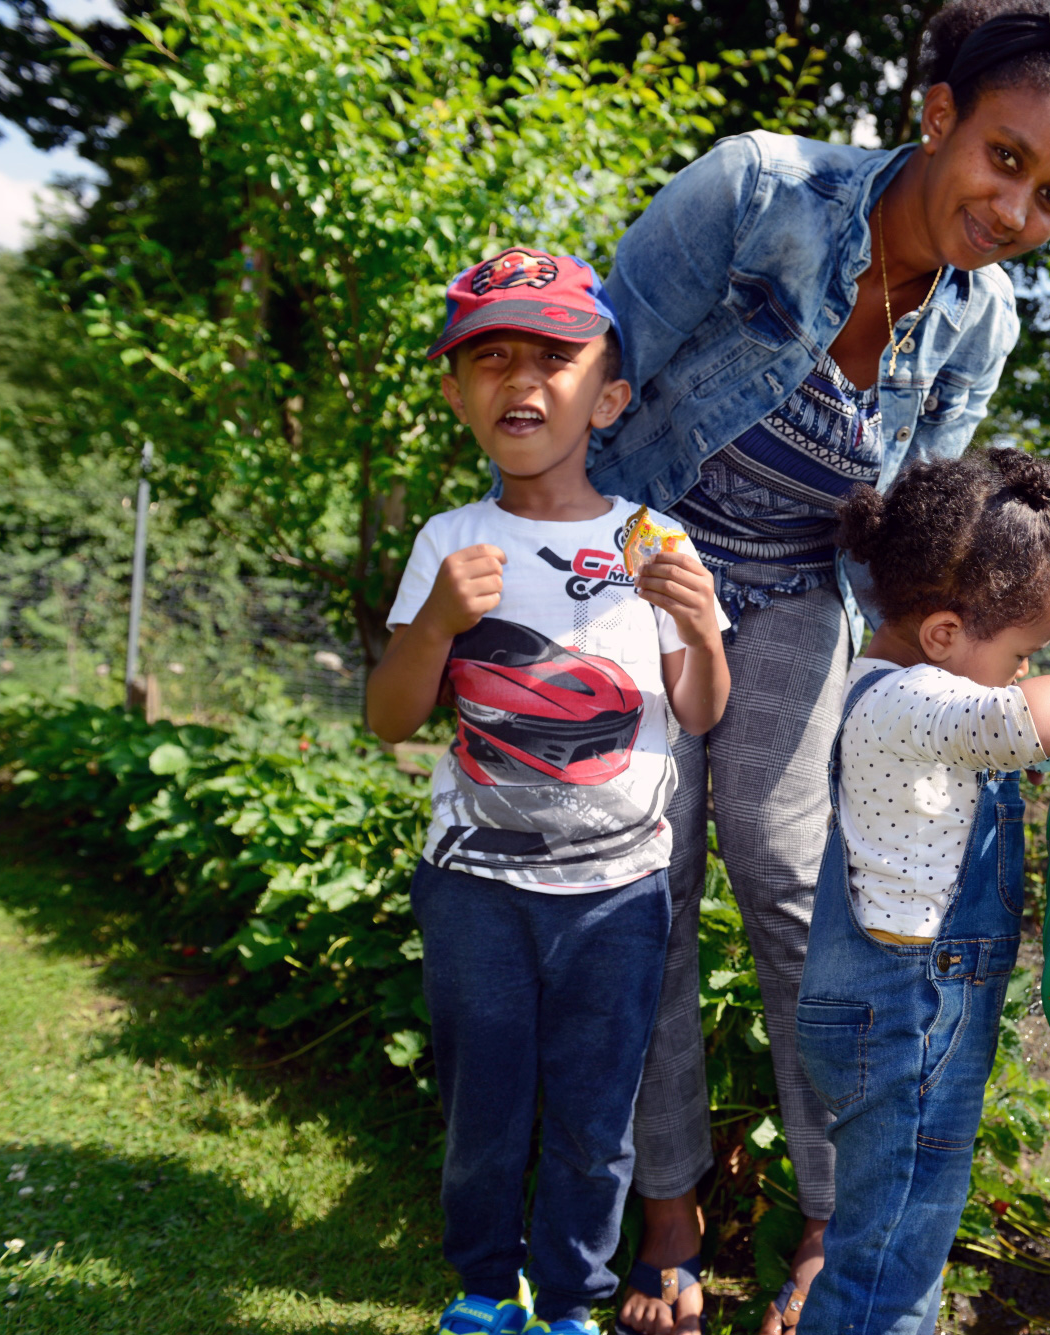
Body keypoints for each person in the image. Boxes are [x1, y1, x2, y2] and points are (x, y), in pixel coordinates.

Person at [594, 4, 1050, 1330]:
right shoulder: (761, 188)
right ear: (941, 115)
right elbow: (599, 367)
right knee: (642, 870)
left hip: (794, 588)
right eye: (1007, 158)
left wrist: (933, 702)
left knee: (793, 866)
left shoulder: (982, 319)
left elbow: (905, 531)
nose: (1018, 210)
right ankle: (665, 1208)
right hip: (638, 555)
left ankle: (842, 1216)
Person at [366, 247, 732, 1335]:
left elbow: (701, 709)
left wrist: (703, 624)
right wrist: (434, 623)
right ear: (455, 393)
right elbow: (391, 717)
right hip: (474, 887)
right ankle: (484, 1287)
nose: (520, 383)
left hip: (621, 894)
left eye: (553, 359)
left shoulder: (652, 541)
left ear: (607, 396)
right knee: (483, 1106)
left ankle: (571, 1301)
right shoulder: (449, 541)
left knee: (591, 1116)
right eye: (489, 360)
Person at [796, 448, 1050, 1332]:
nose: (1023, 672)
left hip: (906, 1013)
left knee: (909, 1231)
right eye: (1022, 652)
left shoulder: (918, 687)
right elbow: (1019, 724)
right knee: (887, 1254)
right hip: (907, 1018)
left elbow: (1012, 711)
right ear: (942, 633)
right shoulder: (910, 702)